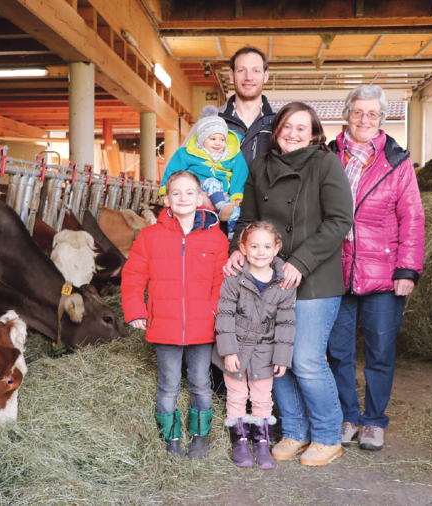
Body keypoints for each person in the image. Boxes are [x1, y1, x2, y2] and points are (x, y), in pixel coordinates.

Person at [223, 102, 353, 466]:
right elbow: (248, 218)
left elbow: (340, 220)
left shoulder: (326, 163)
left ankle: (327, 436)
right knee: (272, 356)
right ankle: (294, 432)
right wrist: (237, 249)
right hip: (269, 275)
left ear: (314, 134)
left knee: (306, 359)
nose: (293, 134)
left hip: (314, 276)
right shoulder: (261, 167)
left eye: (301, 128)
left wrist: (300, 261)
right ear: (276, 130)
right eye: (286, 127)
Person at [326, 85, 425, 452]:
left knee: (380, 350)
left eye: (372, 114)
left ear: (381, 118)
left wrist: (407, 269)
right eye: (357, 112)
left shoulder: (397, 162)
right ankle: (348, 416)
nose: (364, 120)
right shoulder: (328, 156)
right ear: (346, 115)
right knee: (338, 350)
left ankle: (373, 421)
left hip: (384, 273)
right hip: (335, 271)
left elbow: (412, 217)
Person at [121, 170, 228, 458]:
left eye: (189, 192)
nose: (183, 198)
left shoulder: (216, 239)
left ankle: (200, 436)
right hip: (164, 324)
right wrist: (135, 310)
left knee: (201, 382)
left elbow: (222, 281)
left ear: (200, 198)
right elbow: (132, 276)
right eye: (176, 193)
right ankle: (171, 440)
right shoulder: (150, 235)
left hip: (203, 325)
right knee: (168, 384)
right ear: (166, 199)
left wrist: (214, 312)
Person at [213, 221, 296, 469]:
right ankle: (239, 440)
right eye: (255, 246)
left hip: (266, 350)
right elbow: (225, 315)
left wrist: (282, 356)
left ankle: (261, 441)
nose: (261, 252)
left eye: (267, 246)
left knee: (262, 397)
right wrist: (228, 351)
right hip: (237, 346)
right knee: (237, 395)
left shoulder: (284, 283)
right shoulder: (234, 278)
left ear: (276, 248)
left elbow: (286, 322)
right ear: (243, 248)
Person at [160, 105, 249, 238]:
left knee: (236, 211)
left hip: (223, 193)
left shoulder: (233, 155)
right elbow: (172, 171)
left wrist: (236, 194)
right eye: (212, 139)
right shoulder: (187, 154)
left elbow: (240, 174)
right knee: (212, 182)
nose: (218, 143)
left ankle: (232, 237)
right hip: (199, 186)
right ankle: (220, 208)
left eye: (222, 139)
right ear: (202, 139)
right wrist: (165, 189)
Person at [219, 46, 277, 166]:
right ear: (231, 75)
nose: (248, 77)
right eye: (241, 70)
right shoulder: (213, 119)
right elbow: (181, 166)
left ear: (265, 76)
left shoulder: (280, 121)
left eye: (256, 70)